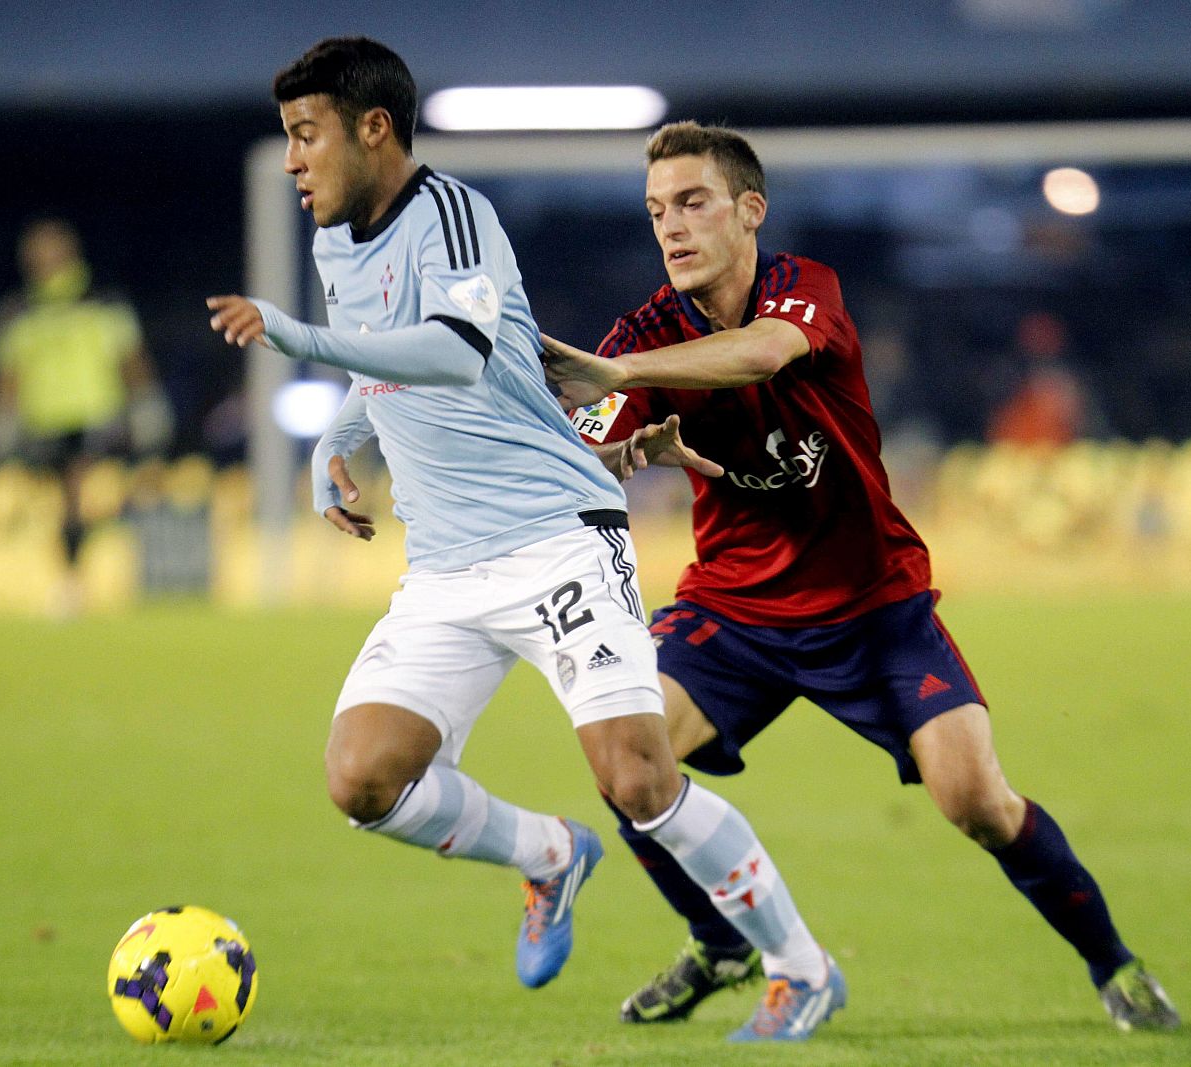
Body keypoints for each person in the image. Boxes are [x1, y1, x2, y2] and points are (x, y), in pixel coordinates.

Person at [204, 40, 845, 1042]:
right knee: (363, 778)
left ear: (373, 128)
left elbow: (450, 353)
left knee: (638, 776)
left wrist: (296, 338)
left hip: (555, 534)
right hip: (444, 564)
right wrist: (340, 434)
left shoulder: (452, 218)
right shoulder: (336, 239)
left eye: (305, 134)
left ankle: (801, 965)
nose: (293, 160)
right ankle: (548, 853)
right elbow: (384, 371)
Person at [541, 120, 1180, 1033]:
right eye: (656, 211)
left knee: (978, 802)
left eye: (692, 202)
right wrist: (610, 453)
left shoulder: (806, 291)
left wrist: (623, 372)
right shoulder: (642, 330)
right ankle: (719, 942)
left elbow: (761, 353)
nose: (671, 227)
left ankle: (1113, 965)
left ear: (749, 209)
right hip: (735, 612)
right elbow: (583, 446)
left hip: (875, 609)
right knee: (625, 761)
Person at [0, 218, 171, 612]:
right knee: (57, 505)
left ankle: (86, 581)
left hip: (96, 415)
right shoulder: (19, 309)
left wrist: (146, 402)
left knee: (83, 496)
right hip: (43, 421)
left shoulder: (101, 301)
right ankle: (72, 578)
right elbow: (10, 370)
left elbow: (129, 356)